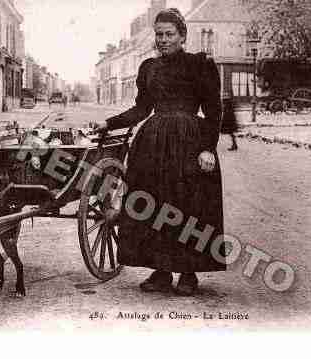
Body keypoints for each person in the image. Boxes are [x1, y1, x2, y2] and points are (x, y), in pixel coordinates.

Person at [94, 8, 226, 296]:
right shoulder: (149, 68)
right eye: (159, 35)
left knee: (188, 206)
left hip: (190, 143)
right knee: (153, 205)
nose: (163, 40)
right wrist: (109, 122)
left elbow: (214, 110)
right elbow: (141, 110)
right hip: (152, 146)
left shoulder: (200, 64)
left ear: (182, 36)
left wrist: (208, 148)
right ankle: (162, 271)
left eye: (169, 34)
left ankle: (189, 273)